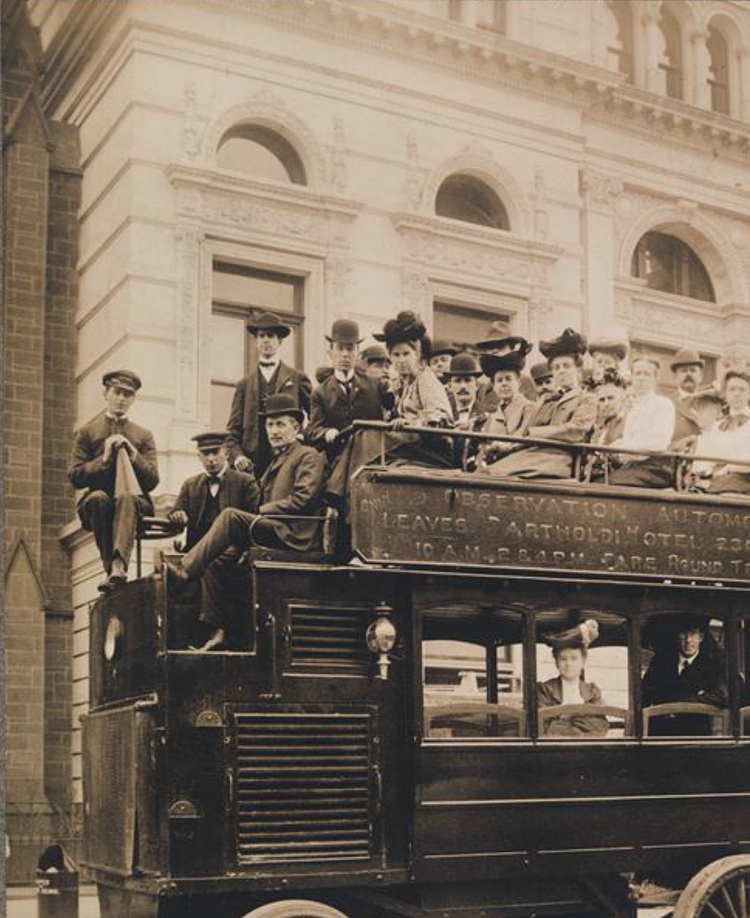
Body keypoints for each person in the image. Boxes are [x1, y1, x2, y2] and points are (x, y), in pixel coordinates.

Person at [166, 395, 326, 589]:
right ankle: (213, 619)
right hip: (275, 528)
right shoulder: (276, 461)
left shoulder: (307, 456)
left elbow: (304, 499)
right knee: (217, 559)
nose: (274, 431)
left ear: (296, 428)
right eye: (270, 425)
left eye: (280, 425)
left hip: (294, 534)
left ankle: (184, 570)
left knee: (230, 517)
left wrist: (263, 510)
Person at [324, 312, 454, 510]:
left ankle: (342, 495)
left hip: (430, 447)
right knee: (360, 434)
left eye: (406, 354)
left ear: (417, 354)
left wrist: (412, 423)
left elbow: (442, 416)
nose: (401, 360)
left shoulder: (426, 379)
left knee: (366, 436)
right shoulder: (402, 382)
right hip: (409, 444)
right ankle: (343, 494)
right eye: (396, 355)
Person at [168, 432, 260, 651]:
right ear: (198, 456)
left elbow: (254, 522)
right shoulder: (190, 485)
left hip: (235, 549)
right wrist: (177, 513)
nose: (211, 459)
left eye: (215, 452)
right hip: (198, 552)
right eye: (205, 454)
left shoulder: (245, 482)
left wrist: (245, 552)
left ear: (226, 453)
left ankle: (216, 632)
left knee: (211, 564)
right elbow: (176, 509)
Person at [69, 370, 159, 591]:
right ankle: (109, 567)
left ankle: (118, 566)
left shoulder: (143, 435)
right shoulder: (87, 433)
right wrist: (105, 458)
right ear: (105, 394)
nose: (121, 399)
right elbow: (75, 476)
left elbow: (152, 480)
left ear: (133, 399)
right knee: (99, 498)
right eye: (117, 392)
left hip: (135, 504)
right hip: (97, 504)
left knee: (127, 498)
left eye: (127, 395)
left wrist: (133, 453)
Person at [485, 329, 596, 479]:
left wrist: (537, 433)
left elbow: (576, 431)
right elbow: (525, 432)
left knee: (497, 474)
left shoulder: (586, 398)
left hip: (558, 458)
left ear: (578, 370)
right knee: (486, 472)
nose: (561, 371)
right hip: (531, 454)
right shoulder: (544, 399)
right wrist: (507, 446)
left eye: (566, 366)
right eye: (556, 368)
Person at [226, 311, 312, 477]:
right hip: (253, 465)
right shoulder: (244, 385)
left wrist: (301, 437)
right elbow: (232, 432)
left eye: (270, 335)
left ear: (279, 341)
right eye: (261, 335)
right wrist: (238, 457)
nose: (266, 340)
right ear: (256, 342)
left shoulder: (297, 378)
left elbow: (316, 416)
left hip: (290, 461)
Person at [308, 319, 387, 464]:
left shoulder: (375, 385)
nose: (345, 354)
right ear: (330, 353)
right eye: (339, 348)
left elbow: (391, 414)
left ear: (358, 353)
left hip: (371, 459)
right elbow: (313, 429)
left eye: (350, 348)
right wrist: (326, 432)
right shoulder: (320, 393)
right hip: (337, 461)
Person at [641, 614, 728, 737]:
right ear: (677, 636)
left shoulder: (711, 666)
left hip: (695, 736)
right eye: (683, 634)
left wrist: (683, 702)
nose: (688, 640)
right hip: (660, 735)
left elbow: (722, 695)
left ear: (701, 637)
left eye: (693, 634)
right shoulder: (661, 661)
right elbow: (645, 692)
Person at [607, 356, 676, 488]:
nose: (641, 378)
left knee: (610, 482)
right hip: (635, 468)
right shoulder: (632, 411)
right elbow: (626, 451)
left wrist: (624, 447)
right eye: (637, 373)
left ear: (655, 379)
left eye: (647, 374)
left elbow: (659, 442)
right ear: (632, 378)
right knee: (598, 479)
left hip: (657, 468)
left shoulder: (664, 405)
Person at [537, 619, 610, 737]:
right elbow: (543, 728)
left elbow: (600, 726)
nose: (568, 663)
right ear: (556, 662)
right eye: (563, 659)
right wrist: (581, 721)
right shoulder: (544, 690)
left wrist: (563, 720)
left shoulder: (592, 691)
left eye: (574, 658)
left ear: (583, 661)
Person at [476, 343, 535, 471]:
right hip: (494, 466)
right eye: (500, 380)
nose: (504, 384)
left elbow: (525, 437)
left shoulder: (529, 408)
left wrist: (504, 446)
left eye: (509, 379)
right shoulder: (493, 415)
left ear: (518, 382)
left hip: (518, 465)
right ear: (493, 385)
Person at [705, 370, 750, 496]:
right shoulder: (717, 425)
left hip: (745, 478)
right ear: (725, 394)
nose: (737, 394)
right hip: (719, 479)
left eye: (742, 390)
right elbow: (710, 455)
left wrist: (729, 468)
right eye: (732, 389)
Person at [444, 352, 485, 468]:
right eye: (457, 381)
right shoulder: (442, 412)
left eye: (467, 380)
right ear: (450, 386)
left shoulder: (487, 415)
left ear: (476, 385)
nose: (463, 386)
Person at [670, 348, 705, 443]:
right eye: (684, 370)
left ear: (701, 376)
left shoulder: (713, 403)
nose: (688, 374)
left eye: (693, 370)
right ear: (675, 376)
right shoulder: (666, 404)